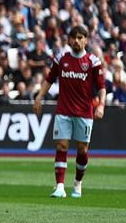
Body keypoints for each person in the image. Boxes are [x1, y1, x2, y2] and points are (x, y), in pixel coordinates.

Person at [33, 25, 106, 198]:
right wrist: (39, 97)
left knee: (82, 150)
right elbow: (49, 79)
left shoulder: (93, 62)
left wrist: (101, 105)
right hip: (63, 110)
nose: (76, 41)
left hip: (84, 112)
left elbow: (102, 86)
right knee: (62, 145)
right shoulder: (61, 59)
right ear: (69, 40)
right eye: (73, 38)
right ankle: (59, 186)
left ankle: (78, 183)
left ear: (86, 40)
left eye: (80, 37)